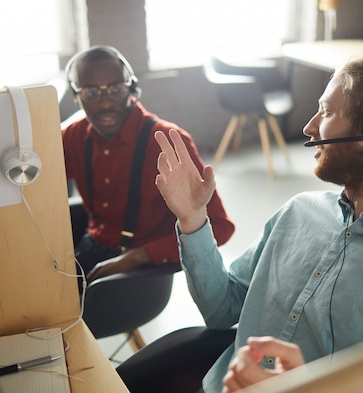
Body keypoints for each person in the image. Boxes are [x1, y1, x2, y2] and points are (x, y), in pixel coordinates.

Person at [151, 52, 363, 393]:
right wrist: (193, 218)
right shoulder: (298, 212)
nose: (309, 127)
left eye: (327, 111)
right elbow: (221, 308)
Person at [62, 46, 235, 282]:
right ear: (76, 96)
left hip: (139, 267)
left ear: (132, 89)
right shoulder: (74, 135)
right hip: (90, 245)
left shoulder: (167, 143)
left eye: (115, 89)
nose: (105, 104)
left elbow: (219, 227)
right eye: (91, 93)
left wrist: (138, 257)